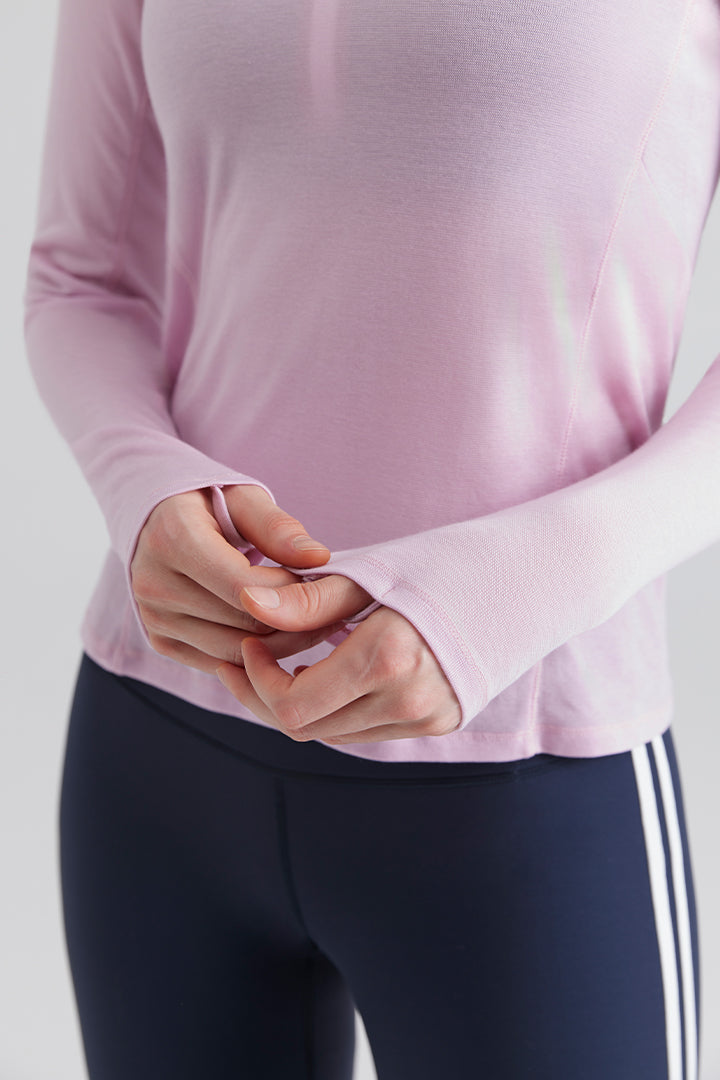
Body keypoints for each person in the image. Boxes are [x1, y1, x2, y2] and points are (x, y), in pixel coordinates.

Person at [22, 0, 717, 1076]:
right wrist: (146, 492)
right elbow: (83, 281)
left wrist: (500, 600)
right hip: (161, 746)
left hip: (526, 779)